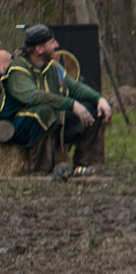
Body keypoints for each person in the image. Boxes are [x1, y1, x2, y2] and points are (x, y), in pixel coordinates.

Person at [0, 24, 111, 174]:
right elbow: (35, 96)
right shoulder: (18, 70)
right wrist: (72, 104)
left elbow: (75, 87)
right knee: (44, 111)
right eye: (52, 42)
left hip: (51, 121)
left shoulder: (53, 67)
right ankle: (42, 171)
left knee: (93, 110)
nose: (57, 45)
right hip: (17, 126)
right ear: (39, 48)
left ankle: (86, 166)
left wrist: (99, 99)